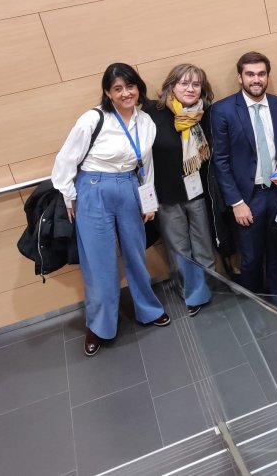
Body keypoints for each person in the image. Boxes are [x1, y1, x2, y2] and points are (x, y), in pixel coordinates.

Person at [51, 63, 170, 357]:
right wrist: (69, 197)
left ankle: (148, 309)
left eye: (130, 86)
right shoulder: (93, 120)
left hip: (129, 187)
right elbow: (65, 161)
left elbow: (147, 167)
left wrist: (150, 202)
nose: (126, 93)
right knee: (99, 262)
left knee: (136, 253)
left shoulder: (146, 123)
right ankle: (100, 326)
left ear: (138, 87)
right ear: (108, 92)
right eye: (118, 88)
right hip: (93, 189)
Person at [211, 51, 277, 295]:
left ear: (267, 76)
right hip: (248, 198)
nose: (256, 79)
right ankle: (255, 308)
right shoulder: (223, 111)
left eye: (261, 74)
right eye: (250, 74)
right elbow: (221, 161)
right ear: (240, 77)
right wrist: (236, 202)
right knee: (251, 259)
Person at [142, 64, 215, 317]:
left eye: (196, 84)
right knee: (180, 249)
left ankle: (206, 284)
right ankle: (193, 293)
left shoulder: (204, 114)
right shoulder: (153, 112)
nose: (190, 89)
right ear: (171, 85)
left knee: (203, 244)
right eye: (184, 83)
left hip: (197, 192)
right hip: (167, 195)